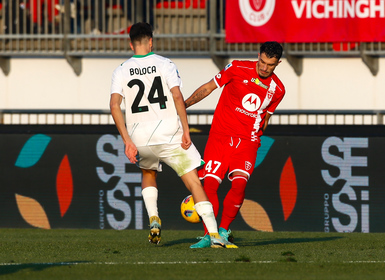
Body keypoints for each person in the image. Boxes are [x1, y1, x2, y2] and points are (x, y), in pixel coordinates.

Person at [109, 22, 236, 248]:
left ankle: (153, 219)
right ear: (151, 41)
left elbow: (114, 105)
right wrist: (186, 130)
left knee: (148, 174)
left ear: (130, 44)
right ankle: (215, 235)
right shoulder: (165, 64)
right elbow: (177, 97)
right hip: (170, 133)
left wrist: (127, 141)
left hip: (141, 136)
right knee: (194, 183)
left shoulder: (121, 70)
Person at [185, 41, 286, 248]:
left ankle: (223, 231)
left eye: (270, 65)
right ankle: (209, 235)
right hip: (220, 136)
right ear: (258, 55)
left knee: (239, 184)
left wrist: (255, 134)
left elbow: (265, 118)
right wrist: (183, 105)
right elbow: (208, 88)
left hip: (247, 141)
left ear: (278, 64)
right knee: (210, 184)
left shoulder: (278, 90)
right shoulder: (236, 68)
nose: (264, 68)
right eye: (262, 62)